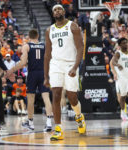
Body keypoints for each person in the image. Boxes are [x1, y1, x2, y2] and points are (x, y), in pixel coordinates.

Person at [44, 4, 86, 141]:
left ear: (64, 11)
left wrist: (75, 66)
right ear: (52, 13)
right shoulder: (49, 30)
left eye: (59, 9)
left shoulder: (73, 26)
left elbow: (80, 47)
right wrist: (45, 76)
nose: (57, 11)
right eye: (55, 10)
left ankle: (79, 116)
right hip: (55, 65)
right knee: (55, 95)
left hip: (70, 63)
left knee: (72, 97)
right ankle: (58, 129)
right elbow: (47, 54)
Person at [6, 29, 53, 132]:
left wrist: (11, 70)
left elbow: (23, 63)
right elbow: (50, 59)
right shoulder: (44, 45)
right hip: (43, 73)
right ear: (37, 36)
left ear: (29, 36)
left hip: (32, 74)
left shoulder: (26, 46)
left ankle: (31, 123)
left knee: (31, 99)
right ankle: (49, 123)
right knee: (46, 97)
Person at [112, 37, 128, 121]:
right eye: (123, 43)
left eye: (126, 42)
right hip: (121, 77)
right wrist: (117, 65)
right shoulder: (118, 53)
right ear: (119, 45)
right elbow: (113, 62)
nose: (125, 44)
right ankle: (123, 112)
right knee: (122, 96)